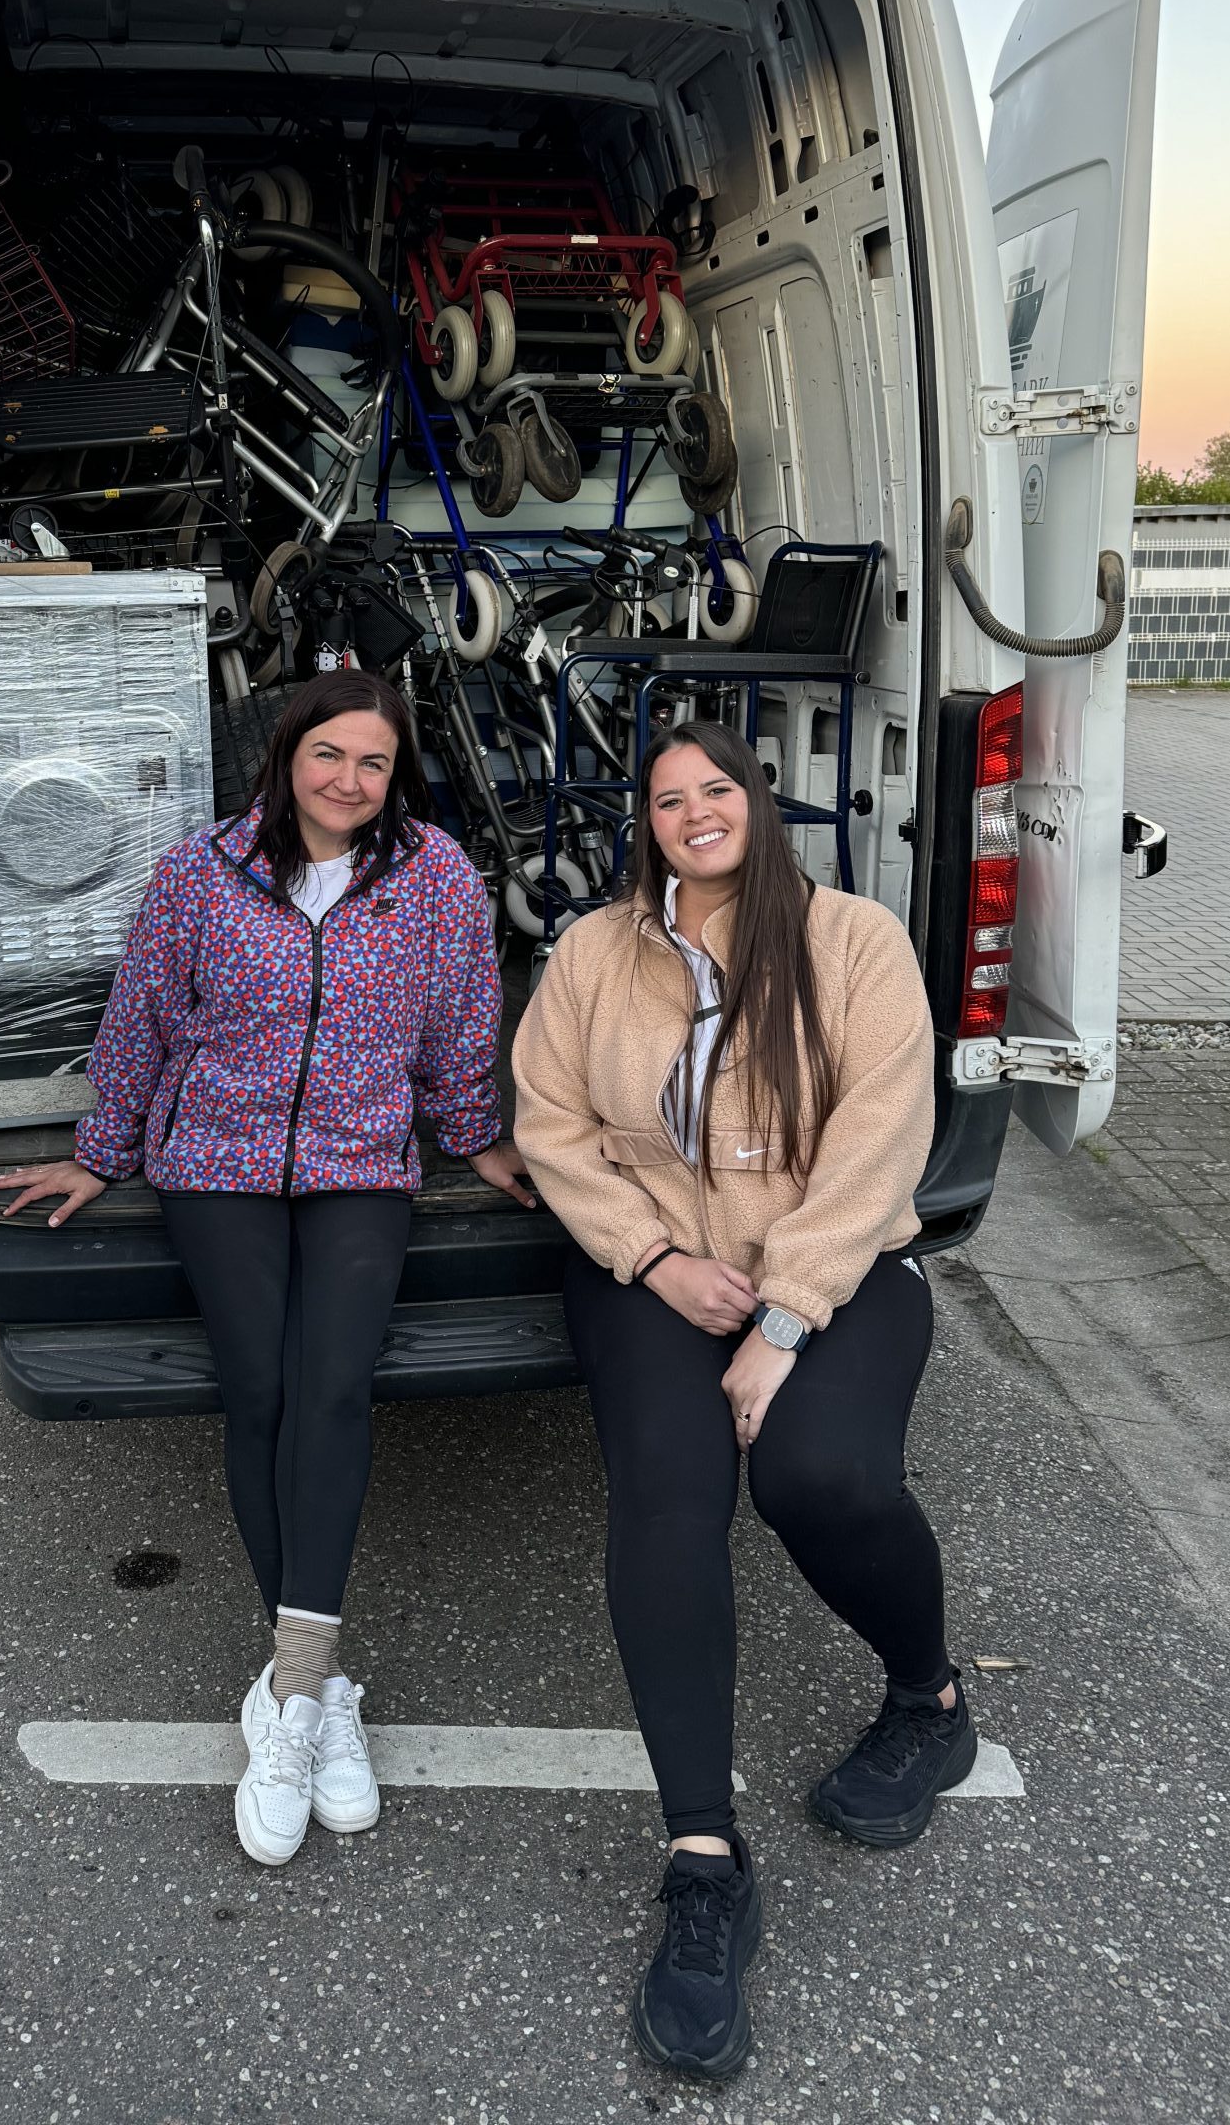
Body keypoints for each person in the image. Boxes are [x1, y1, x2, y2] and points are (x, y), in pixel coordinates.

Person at [0, 668, 533, 1868]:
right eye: (329, 755)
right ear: (287, 755)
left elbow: (458, 1019)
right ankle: (309, 1692)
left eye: (374, 763)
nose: (349, 780)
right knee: (265, 1394)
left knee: (336, 1387)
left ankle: (296, 1691)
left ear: (399, 776)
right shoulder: (201, 876)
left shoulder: (436, 876)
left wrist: (478, 1134)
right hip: (218, 1159)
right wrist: (100, 1154)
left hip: (358, 1159)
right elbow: (139, 1017)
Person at [512, 719, 975, 2083]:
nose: (696, 812)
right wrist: (653, 1258)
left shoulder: (853, 940)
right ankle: (704, 1862)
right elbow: (550, 1123)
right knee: (670, 1495)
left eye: (718, 789)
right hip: (650, 1273)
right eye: (668, 799)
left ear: (757, 805)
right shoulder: (597, 954)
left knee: (817, 1478)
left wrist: (780, 1316)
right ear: (643, 825)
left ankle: (932, 1702)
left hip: (830, 1266)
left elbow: (881, 1139)